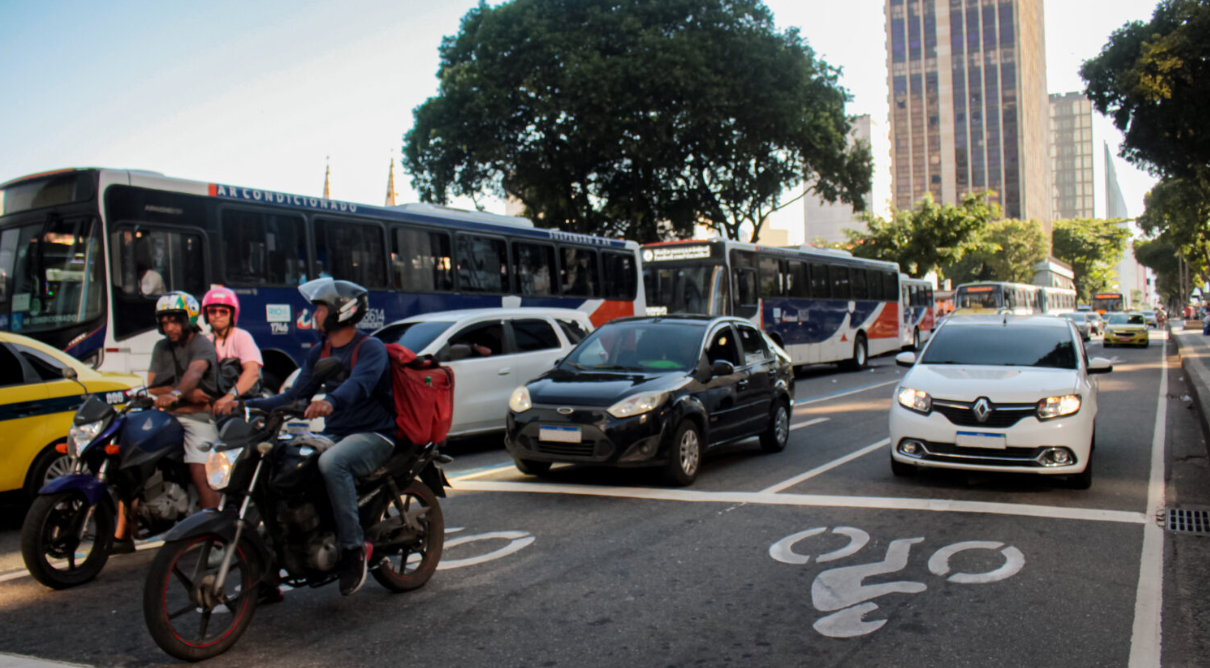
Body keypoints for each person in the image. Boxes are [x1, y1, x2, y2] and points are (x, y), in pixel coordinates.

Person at [228, 278, 395, 596]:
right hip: (336, 432)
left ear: (340, 312)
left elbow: (358, 384)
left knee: (333, 463)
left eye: (319, 309)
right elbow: (295, 395)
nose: (313, 315)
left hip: (374, 435)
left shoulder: (369, 348)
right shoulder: (321, 351)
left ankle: (353, 550)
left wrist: (330, 401)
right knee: (280, 463)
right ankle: (271, 566)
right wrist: (246, 405)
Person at [116, 292, 222, 551]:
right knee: (129, 458)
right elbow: (153, 386)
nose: (169, 327)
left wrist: (175, 393)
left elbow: (195, 372)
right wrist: (184, 394)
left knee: (201, 471)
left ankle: (217, 535)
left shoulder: (202, 344)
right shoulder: (161, 347)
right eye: (164, 322)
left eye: (175, 320)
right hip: (168, 415)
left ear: (189, 319)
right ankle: (122, 535)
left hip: (198, 417)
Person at [202, 287, 264, 416]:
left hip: (241, 403)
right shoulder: (205, 341)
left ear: (232, 314)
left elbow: (252, 371)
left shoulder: (241, 336)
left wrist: (229, 397)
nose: (217, 315)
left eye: (223, 311)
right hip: (214, 404)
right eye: (212, 311)